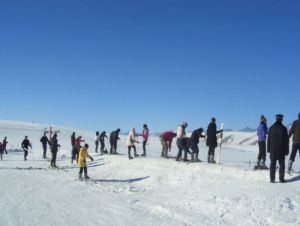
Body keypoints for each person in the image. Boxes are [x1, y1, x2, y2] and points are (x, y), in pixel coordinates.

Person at [267, 114, 289, 183]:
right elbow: (286, 141)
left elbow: (269, 140)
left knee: (272, 164)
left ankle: (272, 179)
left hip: (273, 149)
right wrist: (287, 150)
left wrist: (268, 150)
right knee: (282, 164)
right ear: (281, 119)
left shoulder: (271, 128)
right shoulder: (284, 128)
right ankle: (281, 179)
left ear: (276, 119)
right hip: (281, 149)